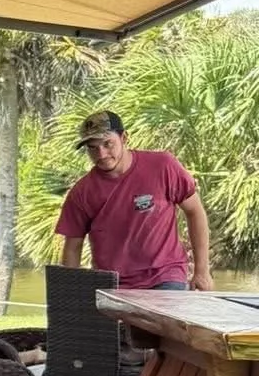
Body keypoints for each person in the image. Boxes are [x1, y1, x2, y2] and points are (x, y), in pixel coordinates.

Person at [56, 110, 212, 292]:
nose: (101, 154)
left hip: (165, 276)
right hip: (111, 285)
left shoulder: (163, 165)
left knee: (163, 320)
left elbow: (195, 212)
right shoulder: (81, 192)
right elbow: (72, 248)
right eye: (92, 147)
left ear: (124, 138)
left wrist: (202, 271)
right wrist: (72, 295)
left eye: (108, 144)